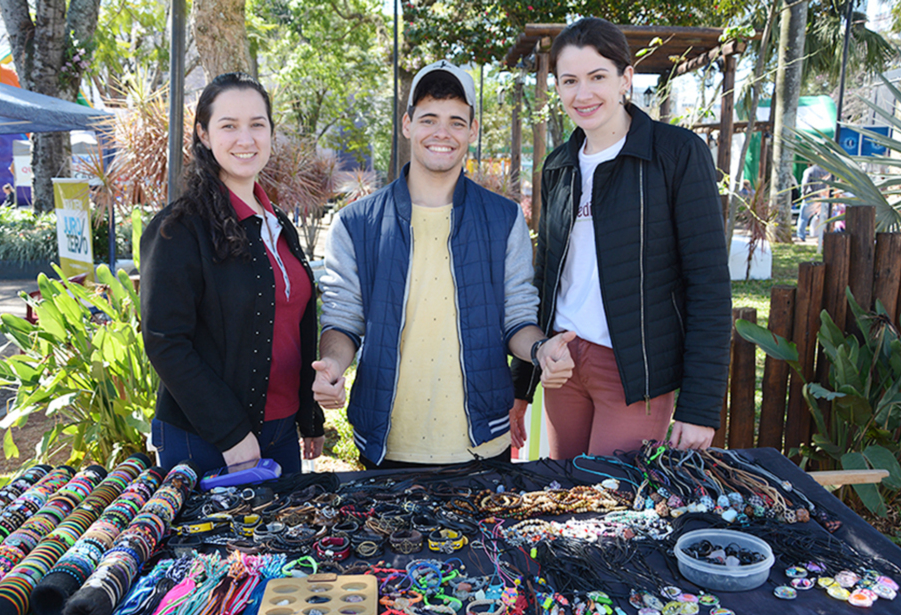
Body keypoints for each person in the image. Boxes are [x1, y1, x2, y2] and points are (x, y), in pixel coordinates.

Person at [313, 60, 575, 469]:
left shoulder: (504, 218)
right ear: (407, 124)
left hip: (482, 445)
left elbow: (517, 318)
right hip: (386, 446)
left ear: (472, 131)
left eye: (456, 121)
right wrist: (331, 365)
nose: (442, 133)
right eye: (429, 118)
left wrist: (540, 349)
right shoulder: (356, 222)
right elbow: (343, 321)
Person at [510, 17, 732, 460]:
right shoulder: (558, 165)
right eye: (569, 80)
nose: (583, 94)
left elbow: (708, 283)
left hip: (634, 370)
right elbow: (545, 281)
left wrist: (701, 407)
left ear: (625, 79)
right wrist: (524, 385)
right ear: (556, 86)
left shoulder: (676, 154)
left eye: (597, 77)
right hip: (565, 362)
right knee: (564, 493)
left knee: (611, 510)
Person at [140, 72, 324, 476]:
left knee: (283, 540)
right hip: (209, 439)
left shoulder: (278, 225)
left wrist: (309, 416)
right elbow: (165, 341)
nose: (246, 139)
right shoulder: (179, 229)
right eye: (229, 126)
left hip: (280, 429)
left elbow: (294, 324)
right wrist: (231, 434)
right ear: (204, 135)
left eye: (257, 124)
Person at [796, 162, 830, 242]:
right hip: (823, 197)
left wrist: (803, 194)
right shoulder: (828, 171)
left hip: (811, 196)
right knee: (823, 218)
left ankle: (801, 235)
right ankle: (822, 236)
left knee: (803, 218)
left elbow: (805, 183)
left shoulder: (809, 170)